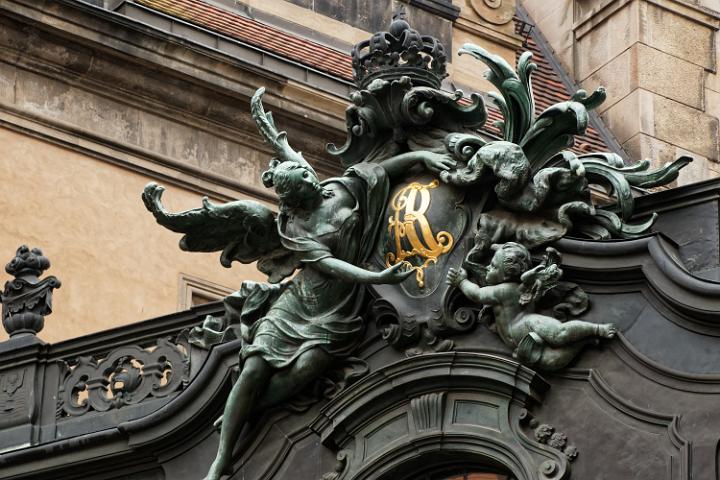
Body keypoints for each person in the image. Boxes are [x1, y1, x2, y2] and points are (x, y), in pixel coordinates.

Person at [447, 242, 616, 371]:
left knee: (559, 333)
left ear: (506, 275)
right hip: (520, 342)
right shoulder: (511, 288)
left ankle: (597, 329)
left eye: (494, 266)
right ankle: (583, 341)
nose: (488, 267)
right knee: (551, 361)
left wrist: (461, 282)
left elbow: (477, 294)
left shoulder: (505, 290)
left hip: (527, 324)